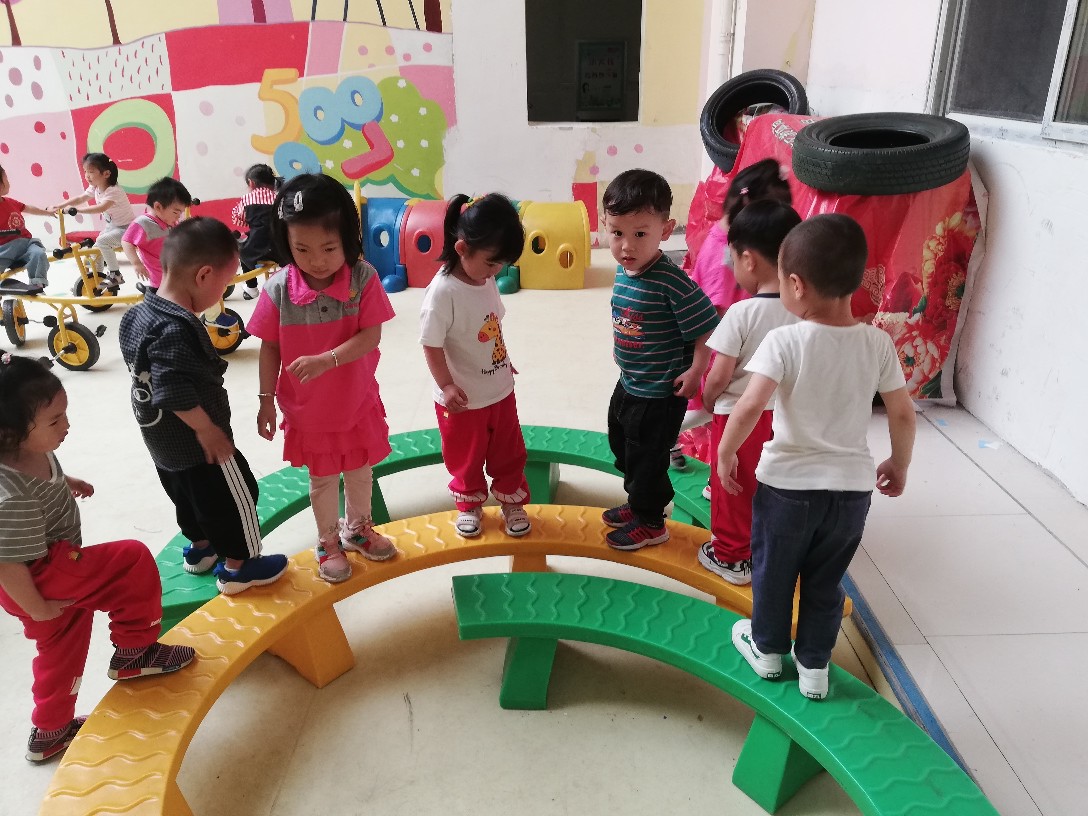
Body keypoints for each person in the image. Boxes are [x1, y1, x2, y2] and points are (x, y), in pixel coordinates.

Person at [719, 214, 916, 701]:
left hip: (787, 488)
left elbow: (749, 405)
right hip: (850, 492)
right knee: (826, 581)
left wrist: (726, 451)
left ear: (796, 285)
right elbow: (902, 413)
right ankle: (814, 667)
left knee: (774, 572)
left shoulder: (785, 340)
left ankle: (767, 650)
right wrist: (899, 463)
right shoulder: (877, 342)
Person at [0, 354, 196, 763]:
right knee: (131, 562)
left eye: (65, 414)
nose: (66, 426)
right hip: (38, 576)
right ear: (11, 432)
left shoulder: (22, 450)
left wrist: (65, 481)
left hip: (45, 573)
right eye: (55, 421)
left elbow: (42, 470)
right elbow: (7, 565)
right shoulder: (9, 498)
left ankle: (50, 732)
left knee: (63, 648)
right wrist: (37, 608)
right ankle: (136, 651)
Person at [119, 217, 289, 595]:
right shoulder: (176, 328)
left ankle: (201, 547)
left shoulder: (136, 314)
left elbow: (143, 373)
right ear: (204, 275)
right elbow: (171, 388)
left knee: (186, 495)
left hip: (162, 442)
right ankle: (240, 566)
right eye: (224, 285)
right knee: (237, 496)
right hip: (200, 444)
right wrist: (207, 429)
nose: (222, 293)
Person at [249, 173, 398, 584]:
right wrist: (265, 400)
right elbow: (269, 347)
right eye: (302, 249)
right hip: (309, 412)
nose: (316, 260)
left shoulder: (363, 279)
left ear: (347, 238)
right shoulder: (278, 289)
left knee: (361, 471)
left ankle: (358, 528)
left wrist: (327, 360)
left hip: (356, 401)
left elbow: (371, 336)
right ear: (285, 241)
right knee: (323, 481)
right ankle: (328, 542)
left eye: (329, 248)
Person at [602, 169, 720, 550]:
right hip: (631, 379)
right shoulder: (624, 269)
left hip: (659, 392)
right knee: (621, 441)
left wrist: (697, 370)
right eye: (617, 233)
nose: (626, 246)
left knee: (647, 456)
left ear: (666, 231)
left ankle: (651, 520)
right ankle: (639, 500)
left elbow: (707, 326)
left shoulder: (671, 281)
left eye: (640, 234)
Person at [698, 200, 801, 585]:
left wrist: (709, 399)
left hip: (738, 417)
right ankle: (769, 549)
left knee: (732, 486)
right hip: (787, 417)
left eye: (732, 260)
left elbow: (719, 374)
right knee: (773, 485)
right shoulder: (805, 310)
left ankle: (730, 556)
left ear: (748, 260)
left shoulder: (742, 313)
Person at [419, 193, 531, 539]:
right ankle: (469, 505)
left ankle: (512, 502)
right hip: (462, 400)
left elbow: (492, 324)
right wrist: (446, 385)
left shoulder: (485, 279)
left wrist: (503, 359)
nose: (496, 271)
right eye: (492, 263)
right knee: (465, 457)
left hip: (499, 390)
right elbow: (431, 343)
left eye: (501, 265)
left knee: (509, 452)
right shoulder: (443, 293)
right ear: (462, 248)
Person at [673, 158, 794, 474]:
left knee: (720, 410)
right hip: (722, 351)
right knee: (713, 408)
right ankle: (667, 436)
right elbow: (715, 319)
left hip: (738, 345)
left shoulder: (728, 239)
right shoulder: (724, 259)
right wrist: (706, 371)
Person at [50, 152, 135, 287]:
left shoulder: (113, 191)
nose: (87, 176)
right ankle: (96, 277)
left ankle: (115, 275)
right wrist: (60, 205)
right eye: (85, 171)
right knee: (96, 250)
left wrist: (77, 210)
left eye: (91, 172)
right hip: (112, 228)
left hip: (128, 230)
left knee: (102, 242)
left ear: (106, 174)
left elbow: (101, 208)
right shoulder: (95, 187)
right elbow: (81, 198)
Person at [121, 176, 192, 295]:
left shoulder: (169, 221)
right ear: (158, 207)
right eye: (176, 212)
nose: (178, 216)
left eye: (181, 212)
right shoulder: (143, 223)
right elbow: (126, 241)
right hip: (161, 278)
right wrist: (136, 263)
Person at [231, 163, 279, 300]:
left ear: (251, 183)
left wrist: (251, 222)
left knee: (241, 248)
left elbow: (237, 218)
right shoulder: (278, 198)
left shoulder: (247, 199)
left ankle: (251, 287)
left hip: (256, 249)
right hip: (280, 250)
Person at [0, 163, 53, 288]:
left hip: (26, 245)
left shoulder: (10, 202)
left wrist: (47, 212)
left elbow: (28, 208)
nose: (8, 182)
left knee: (38, 254)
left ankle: (37, 284)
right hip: (4, 250)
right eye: (6, 179)